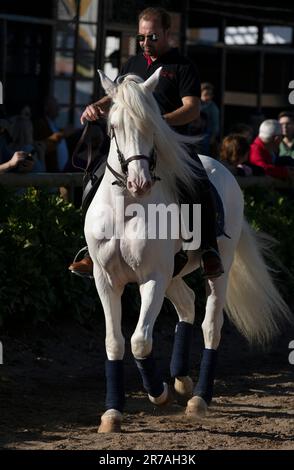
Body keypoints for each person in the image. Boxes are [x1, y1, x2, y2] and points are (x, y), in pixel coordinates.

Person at [69, 7, 224, 279]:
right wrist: (97, 105)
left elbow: (192, 108)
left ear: (167, 33)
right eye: (141, 37)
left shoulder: (183, 66)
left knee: (197, 181)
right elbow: (116, 95)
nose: (145, 43)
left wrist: (159, 121)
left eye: (152, 36)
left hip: (171, 142)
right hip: (133, 144)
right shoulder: (132, 64)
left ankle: (208, 249)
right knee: (95, 177)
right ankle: (91, 249)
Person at [200, 82, 220, 157]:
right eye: (205, 95)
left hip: (206, 135)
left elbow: (215, 125)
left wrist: (213, 137)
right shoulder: (196, 105)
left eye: (210, 95)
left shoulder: (213, 108)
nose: (208, 97)